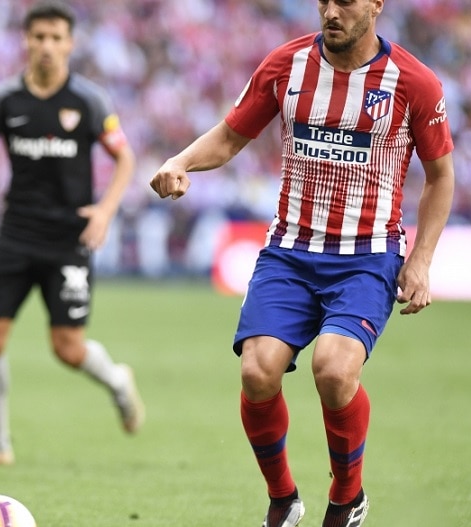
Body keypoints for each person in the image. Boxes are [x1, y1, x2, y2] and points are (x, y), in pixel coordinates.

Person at [149, 1, 455, 525]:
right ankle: (283, 499)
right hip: (290, 251)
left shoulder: (414, 82)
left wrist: (421, 259)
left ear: (376, 6)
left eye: (346, 1)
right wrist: (181, 161)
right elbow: (230, 136)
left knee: (333, 370)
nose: (331, 12)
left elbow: (441, 175)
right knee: (257, 371)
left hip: (365, 257)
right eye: (324, 1)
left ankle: (347, 498)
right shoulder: (285, 65)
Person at [0, 0, 143, 469]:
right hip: (15, 233)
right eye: (39, 37)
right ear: (26, 41)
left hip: (69, 240)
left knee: (67, 348)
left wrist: (105, 211)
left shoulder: (88, 100)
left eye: (56, 38)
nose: (47, 45)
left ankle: (116, 380)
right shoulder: (4, 98)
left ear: (69, 44)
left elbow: (124, 158)